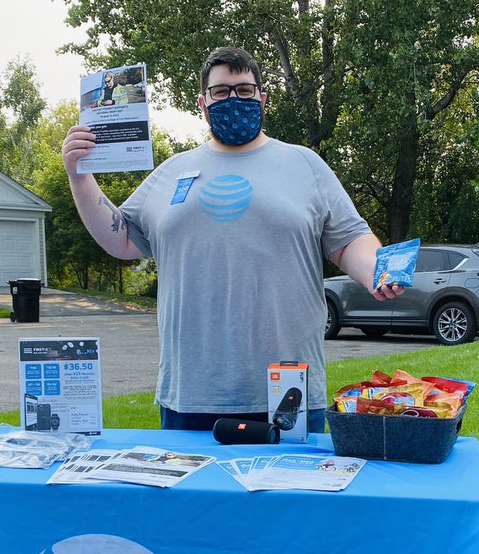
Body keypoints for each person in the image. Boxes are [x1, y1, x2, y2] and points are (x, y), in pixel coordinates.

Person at [62, 47, 402, 432]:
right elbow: (121, 239)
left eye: (244, 90)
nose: (234, 99)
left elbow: (349, 239)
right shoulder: (171, 173)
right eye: (221, 92)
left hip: (287, 391)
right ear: (203, 103)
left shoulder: (305, 165)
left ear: (262, 98)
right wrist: (79, 175)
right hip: (191, 393)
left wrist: (376, 272)